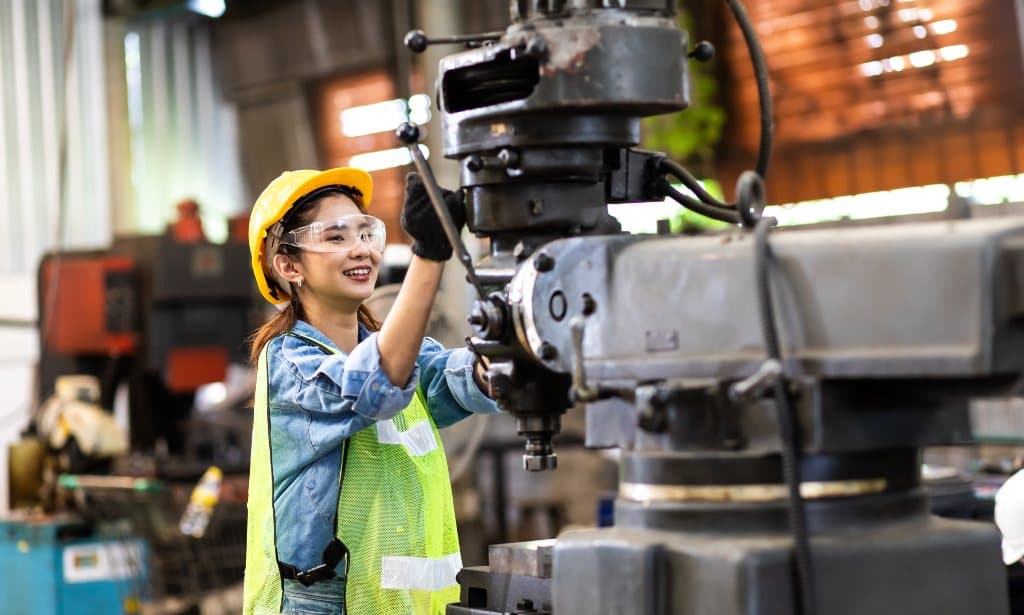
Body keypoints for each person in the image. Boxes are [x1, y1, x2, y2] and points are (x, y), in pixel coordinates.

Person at [242, 166, 499, 615]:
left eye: (366, 233)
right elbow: (375, 385)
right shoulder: (287, 361)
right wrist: (429, 256)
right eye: (336, 237)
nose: (360, 248)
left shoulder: (397, 350)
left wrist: (510, 355)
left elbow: (455, 379)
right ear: (288, 265)